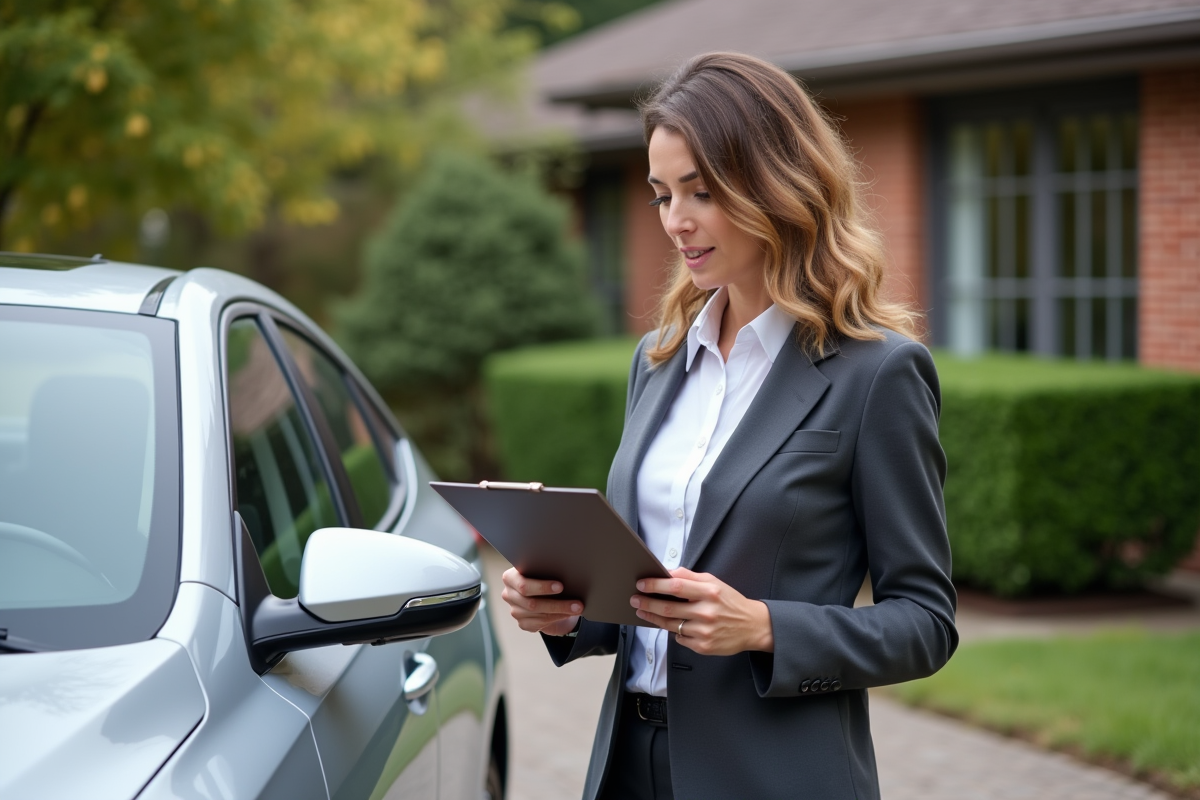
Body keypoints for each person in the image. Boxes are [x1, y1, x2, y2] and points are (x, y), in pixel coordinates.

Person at [500, 51, 957, 800]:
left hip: (776, 777)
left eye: (702, 192)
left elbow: (925, 623)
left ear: (776, 184)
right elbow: (642, 595)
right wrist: (562, 611)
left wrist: (766, 627)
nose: (676, 222)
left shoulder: (878, 374)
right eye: (661, 195)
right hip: (629, 765)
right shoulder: (658, 359)